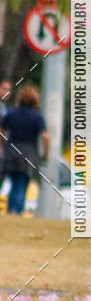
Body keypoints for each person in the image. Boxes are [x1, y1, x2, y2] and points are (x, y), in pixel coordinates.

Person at [1, 85, 49, 215]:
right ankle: (16, 212)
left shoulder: (11, 114)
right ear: (35, 100)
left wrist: (2, 146)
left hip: (11, 150)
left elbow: (2, 131)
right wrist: (45, 154)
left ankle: (11, 211)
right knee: (21, 183)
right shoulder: (37, 118)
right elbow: (45, 136)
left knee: (11, 181)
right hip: (28, 153)